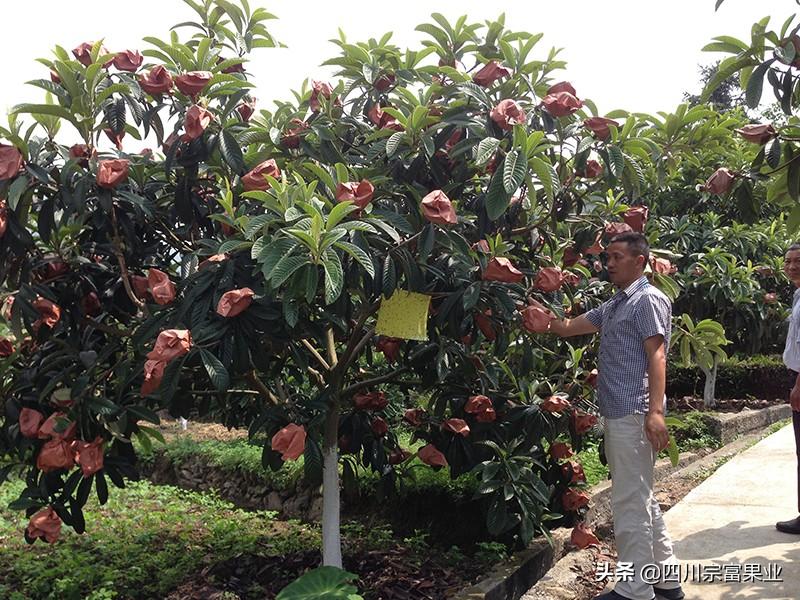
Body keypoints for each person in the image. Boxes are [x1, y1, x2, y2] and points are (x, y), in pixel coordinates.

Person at [540, 232, 684, 600]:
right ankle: (665, 580)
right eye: (607, 257)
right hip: (623, 412)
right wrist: (538, 314)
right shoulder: (616, 304)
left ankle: (635, 589)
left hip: (634, 412)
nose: (609, 263)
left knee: (629, 501)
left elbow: (658, 356)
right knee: (642, 497)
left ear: (640, 261)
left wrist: (655, 412)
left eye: (617, 256)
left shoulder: (648, 299)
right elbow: (570, 327)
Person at [777, 243, 800, 535]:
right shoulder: (797, 294)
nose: (792, 266)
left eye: (798, 261)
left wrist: (798, 384)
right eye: (788, 261)